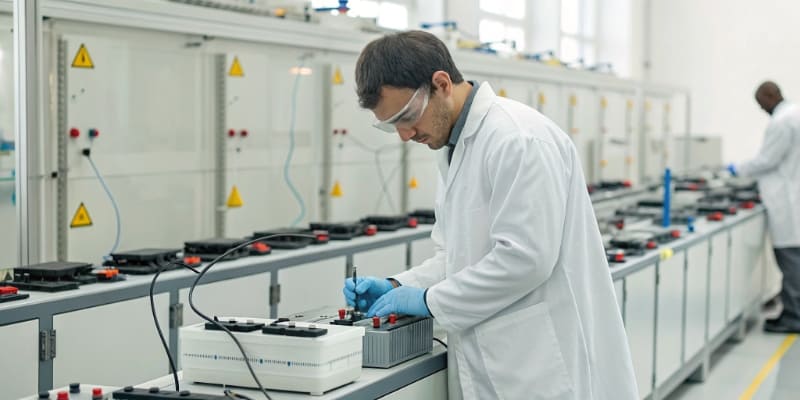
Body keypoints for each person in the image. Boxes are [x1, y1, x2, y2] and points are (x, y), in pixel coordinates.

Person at [342, 31, 637, 399]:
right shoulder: (454, 147)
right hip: (496, 358)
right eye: (391, 125)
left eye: (407, 116)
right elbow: (457, 256)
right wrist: (401, 285)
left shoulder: (518, 140)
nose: (404, 135)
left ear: (441, 83)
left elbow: (526, 259)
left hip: (540, 365)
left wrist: (428, 301)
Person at [730, 81, 800, 334]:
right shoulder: (794, 115)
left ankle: (794, 316)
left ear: (771, 96)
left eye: (761, 103)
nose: (762, 109)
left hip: (787, 201)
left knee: (790, 262)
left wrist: (736, 169)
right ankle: (793, 312)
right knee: (794, 260)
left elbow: (767, 160)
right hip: (790, 198)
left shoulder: (782, 122)